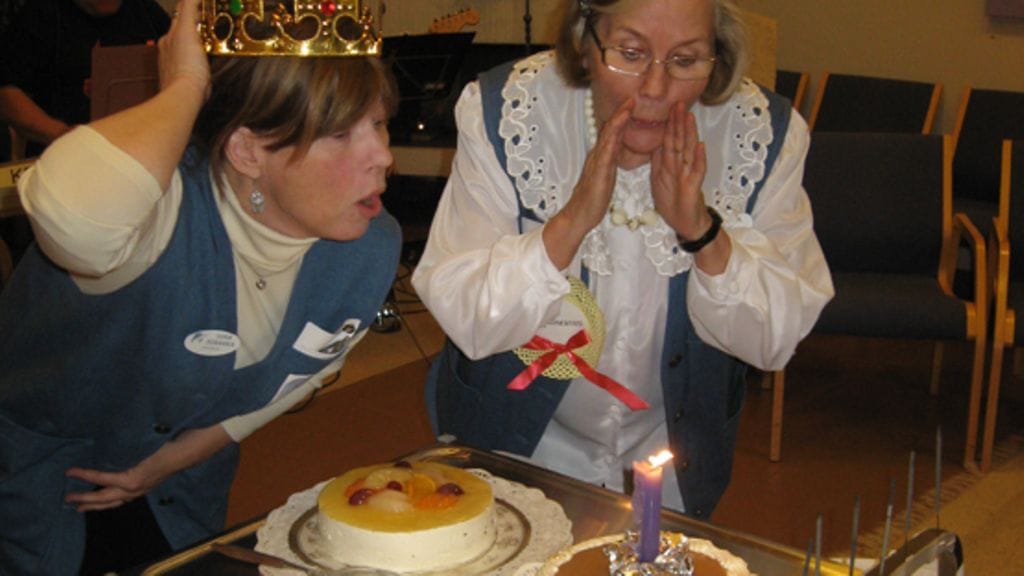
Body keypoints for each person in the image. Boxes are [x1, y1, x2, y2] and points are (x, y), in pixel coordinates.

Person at [0, 0, 401, 573]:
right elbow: (69, 212)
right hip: (39, 476)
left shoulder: (369, 245)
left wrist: (168, 462)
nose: (383, 155)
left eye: (379, 123)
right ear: (246, 151)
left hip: (178, 487)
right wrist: (186, 85)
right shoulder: (158, 216)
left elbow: (301, 374)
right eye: (340, 133)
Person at [411, 0, 834, 520]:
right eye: (630, 53)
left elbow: (773, 339)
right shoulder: (509, 112)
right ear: (585, 41)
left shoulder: (761, 134)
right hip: (513, 455)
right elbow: (467, 316)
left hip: (670, 465)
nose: (655, 88)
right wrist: (569, 224)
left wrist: (703, 232)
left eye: (685, 60)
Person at [0, 0, 171, 158]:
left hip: (140, 153)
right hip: (64, 157)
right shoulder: (42, 14)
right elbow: (6, 93)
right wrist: (61, 133)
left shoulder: (145, 11)